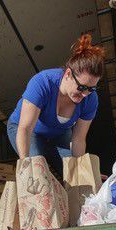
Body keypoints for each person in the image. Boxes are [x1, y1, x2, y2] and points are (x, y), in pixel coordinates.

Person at [7, 33, 105, 177]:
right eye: (82, 87)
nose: (85, 94)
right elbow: (25, 129)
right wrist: (26, 166)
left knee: (72, 173)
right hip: (28, 131)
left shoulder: (90, 99)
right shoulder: (42, 83)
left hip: (59, 134)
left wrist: (84, 175)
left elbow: (78, 139)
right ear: (67, 74)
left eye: (92, 89)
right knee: (38, 171)